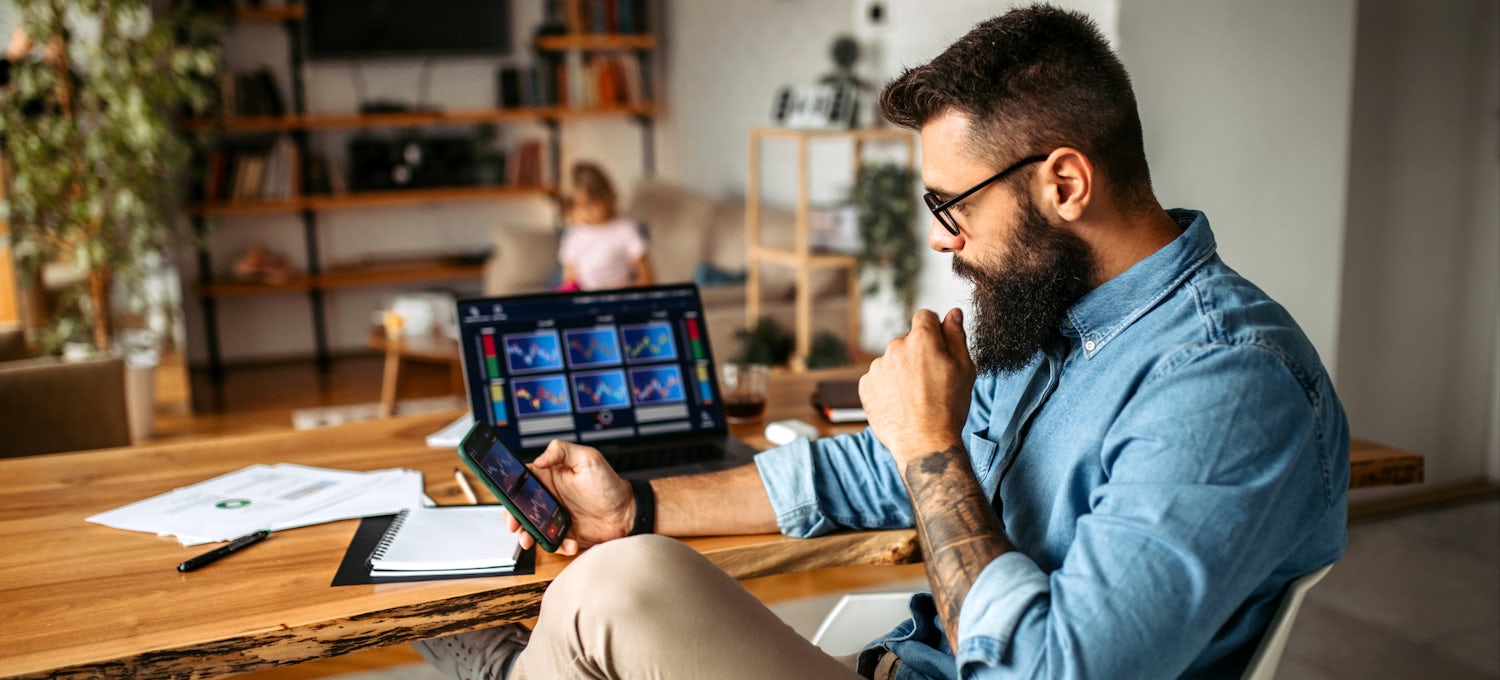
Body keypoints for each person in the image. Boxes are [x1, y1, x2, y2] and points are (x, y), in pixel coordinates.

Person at [414, 5, 1349, 679]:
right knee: (626, 565)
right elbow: (871, 471)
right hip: (895, 666)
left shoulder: (1224, 385)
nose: (942, 239)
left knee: (609, 596)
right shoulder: (1057, 322)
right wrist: (638, 505)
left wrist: (931, 443)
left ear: (1064, 184)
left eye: (952, 205)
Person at [555, 161, 654, 291]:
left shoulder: (624, 230)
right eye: (577, 207)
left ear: (606, 197)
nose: (585, 213)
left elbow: (647, 278)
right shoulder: (573, 237)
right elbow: (570, 280)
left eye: (591, 204)